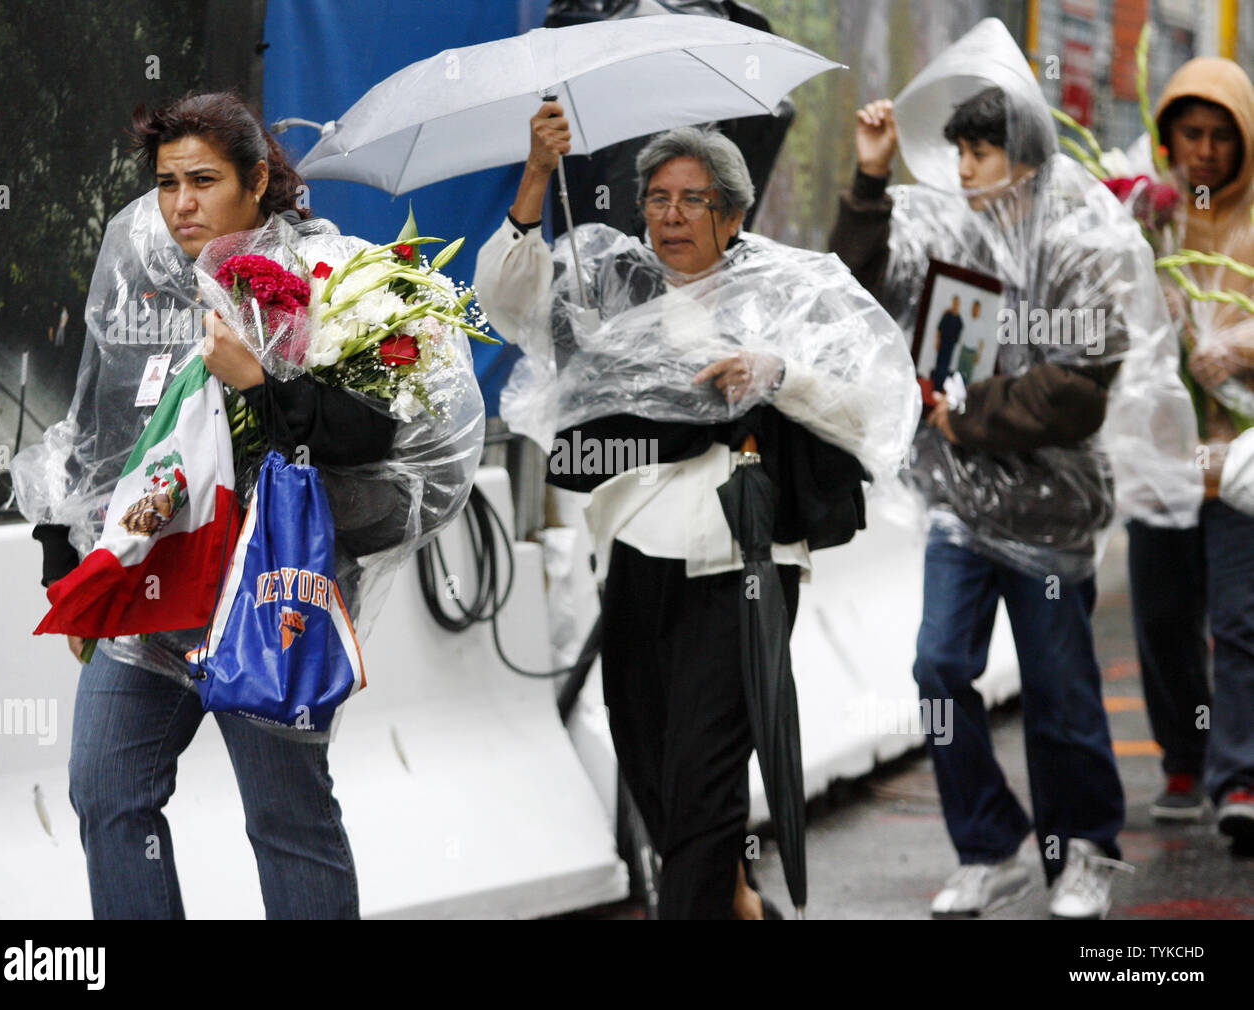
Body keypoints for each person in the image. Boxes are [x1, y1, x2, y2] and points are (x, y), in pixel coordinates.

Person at [10, 92, 482, 918]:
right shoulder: (145, 273)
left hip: (270, 598)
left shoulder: (331, 277)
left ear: (258, 179)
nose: (182, 204)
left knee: (285, 819)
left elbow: (378, 438)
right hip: (153, 598)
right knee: (106, 795)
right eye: (166, 184)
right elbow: (94, 421)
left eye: (203, 180)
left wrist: (263, 382)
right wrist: (65, 545)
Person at [477, 102, 916, 918]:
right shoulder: (610, 286)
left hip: (745, 563)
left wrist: (778, 374)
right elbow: (506, 304)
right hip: (637, 559)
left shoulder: (786, 292)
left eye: (695, 200)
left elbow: (869, 415)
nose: (672, 217)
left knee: (706, 784)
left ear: (736, 214)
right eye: (657, 199)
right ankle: (740, 904)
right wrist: (538, 174)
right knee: (651, 769)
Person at [830, 18, 1191, 919]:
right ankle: (989, 844)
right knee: (940, 669)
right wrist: (871, 176)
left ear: (1023, 159)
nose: (963, 173)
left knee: (1060, 692)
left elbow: (1079, 391)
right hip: (960, 509)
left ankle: (1085, 852)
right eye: (958, 156)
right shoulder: (947, 238)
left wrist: (971, 415)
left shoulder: (1083, 248)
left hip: (1053, 517)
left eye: (980, 155)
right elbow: (857, 284)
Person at [1126, 57, 1254, 838]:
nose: (1204, 151)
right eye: (1190, 133)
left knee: (1240, 619)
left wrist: (1238, 348)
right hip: (1164, 457)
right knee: (1163, 616)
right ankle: (1184, 755)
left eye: (1221, 137)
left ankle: (1239, 776)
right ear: (1167, 134)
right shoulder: (1149, 217)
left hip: (1240, 461)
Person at [930, 295, 964, 391]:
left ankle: (941, 387)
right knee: (939, 364)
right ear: (952, 303)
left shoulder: (959, 320)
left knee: (945, 366)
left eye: (957, 303)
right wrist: (937, 341)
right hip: (942, 344)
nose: (955, 304)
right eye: (954, 302)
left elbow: (959, 334)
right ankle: (935, 387)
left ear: (959, 304)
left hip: (950, 346)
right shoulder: (946, 315)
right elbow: (939, 329)